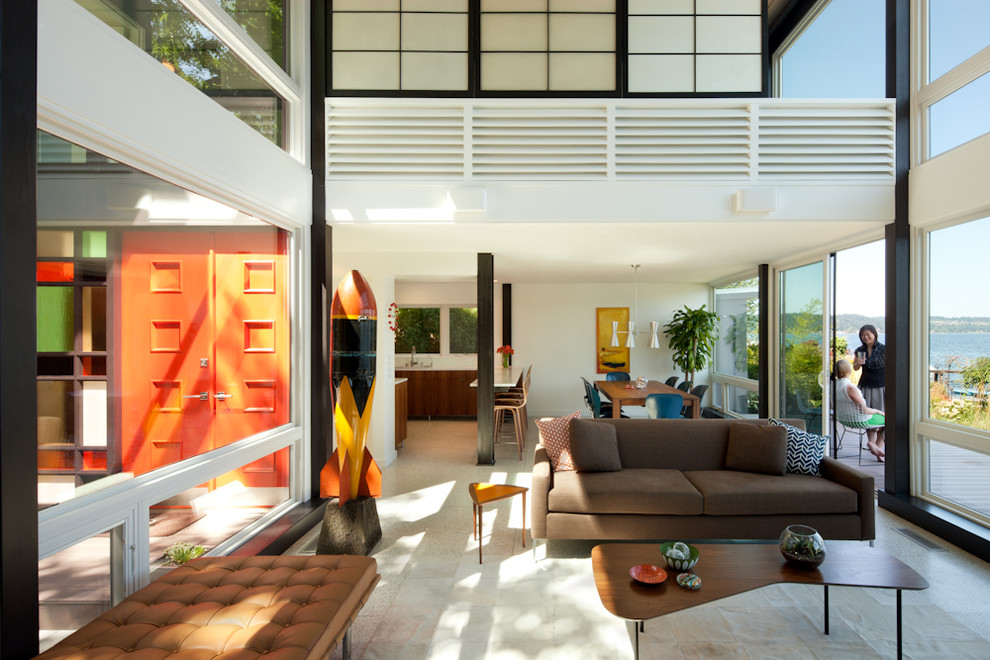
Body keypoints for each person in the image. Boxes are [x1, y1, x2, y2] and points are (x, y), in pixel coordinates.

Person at [835, 359, 885, 461]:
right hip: (859, 420)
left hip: (843, 419)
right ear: (849, 370)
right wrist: (878, 411)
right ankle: (876, 448)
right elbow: (864, 410)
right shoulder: (849, 388)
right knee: (889, 420)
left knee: (879, 419)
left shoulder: (835, 386)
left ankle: (874, 446)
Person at [852, 324, 885, 453]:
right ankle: (871, 443)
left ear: (874, 334)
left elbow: (881, 363)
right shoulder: (860, 350)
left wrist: (867, 362)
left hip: (880, 385)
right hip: (865, 384)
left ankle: (878, 445)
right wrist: (857, 363)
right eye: (862, 335)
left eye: (868, 334)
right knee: (867, 416)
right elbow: (855, 368)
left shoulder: (883, 349)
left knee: (882, 417)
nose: (865, 337)